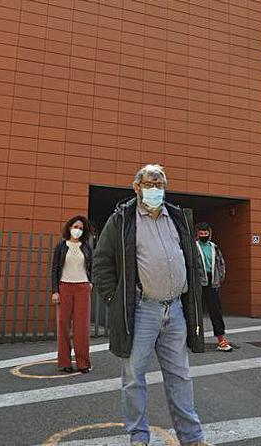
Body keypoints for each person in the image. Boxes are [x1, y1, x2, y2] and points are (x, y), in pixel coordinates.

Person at [93, 164, 212, 446]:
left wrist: (193, 288)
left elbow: (191, 258)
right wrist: (116, 300)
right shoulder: (122, 219)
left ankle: (192, 438)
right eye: (149, 183)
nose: (155, 189)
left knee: (180, 375)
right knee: (134, 376)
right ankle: (138, 437)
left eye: (159, 184)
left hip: (176, 310)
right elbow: (101, 264)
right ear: (136, 187)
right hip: (141, 310)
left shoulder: (178, 217)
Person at [51, 215, 94, 373]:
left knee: (81, 326)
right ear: (69, 228)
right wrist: (55, 291)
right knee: (63, 323)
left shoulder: (87, 247)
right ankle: (65, 362)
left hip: (82, 287)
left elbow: (92, 267)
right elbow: (55, 269)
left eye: (81, 228)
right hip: (65, 287)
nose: (78, 230)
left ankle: (83, 362)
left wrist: (90, 282)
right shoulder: (61, 246)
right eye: (75, 227)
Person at [195, 222, 232, 352]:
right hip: (198, 283)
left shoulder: (214, 247)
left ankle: (221, 340)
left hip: (212, 282)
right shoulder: (194, 247)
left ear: (209, 233)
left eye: (206, 233)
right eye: (201, 233)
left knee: (215, 312)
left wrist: (220, 277)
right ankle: (192, 340)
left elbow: (221, 263)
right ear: (197, 234)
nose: (204, 235)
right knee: (194, 312)